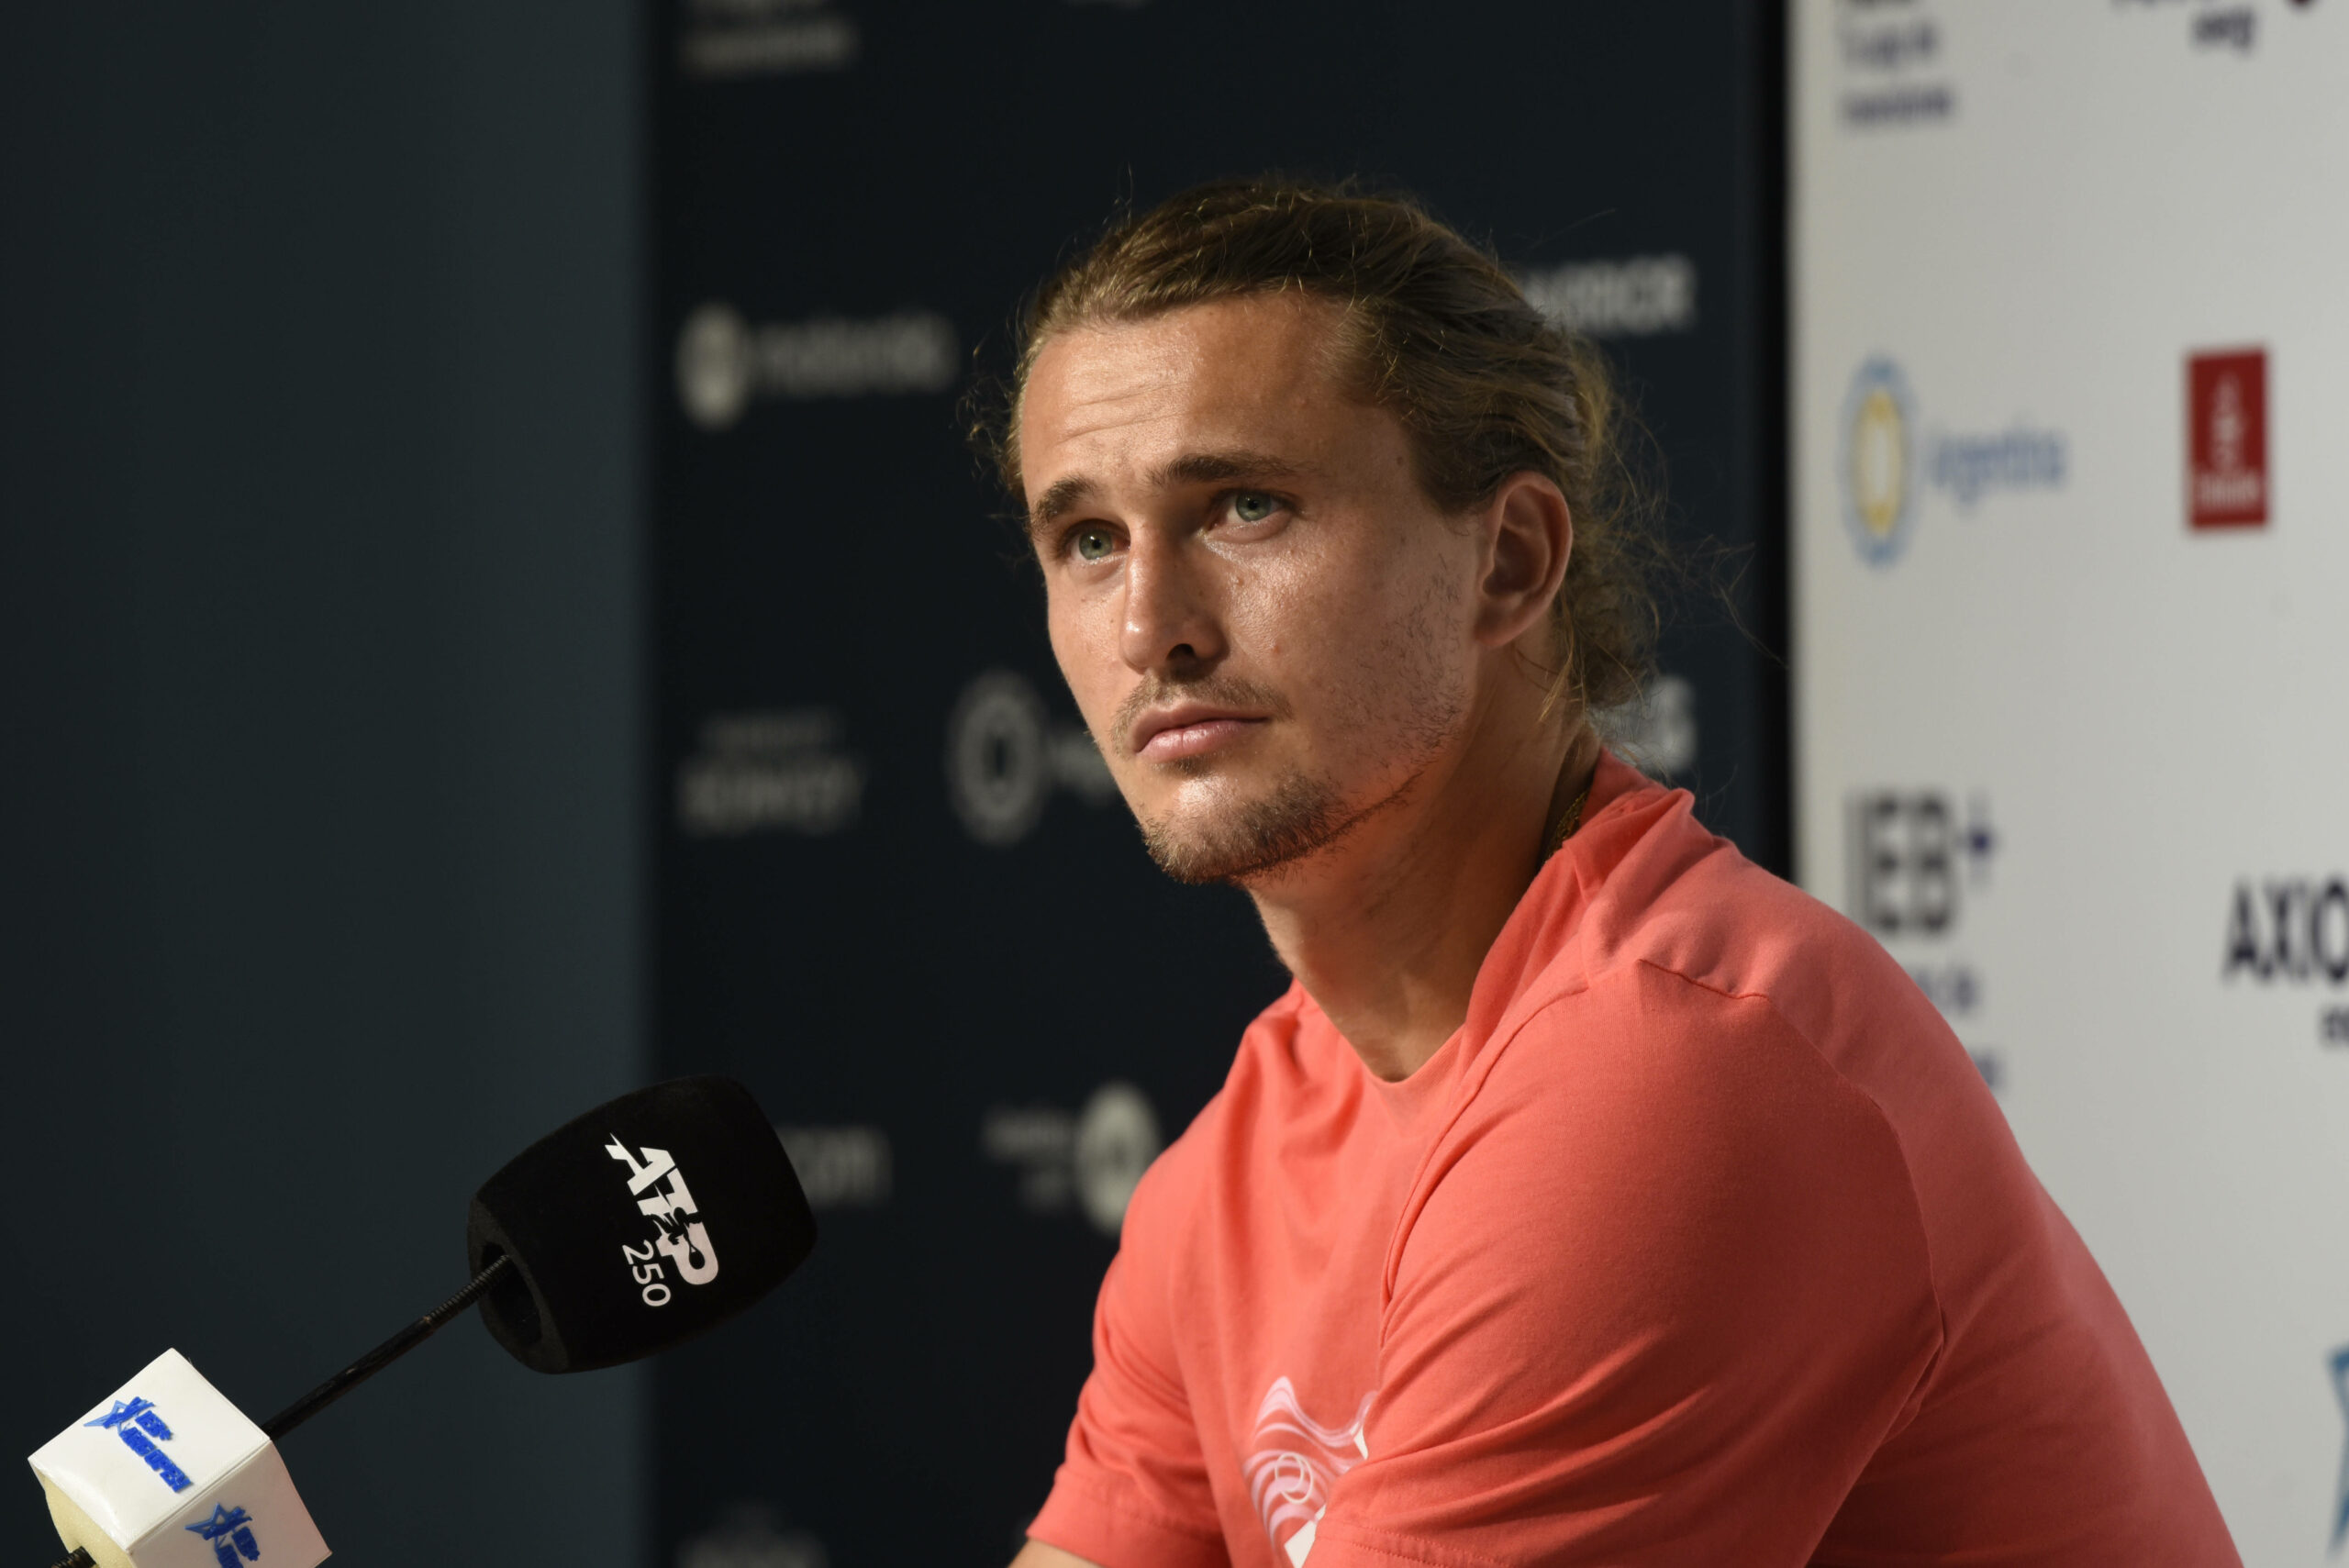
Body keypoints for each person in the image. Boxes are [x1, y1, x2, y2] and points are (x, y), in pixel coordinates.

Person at [981, 179, 2238, 1568]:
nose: (1150, 621)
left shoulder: (1669, 1068)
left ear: (1508, 561)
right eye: (1086, 539)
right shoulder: (1221, 1179)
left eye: (1245, 507)